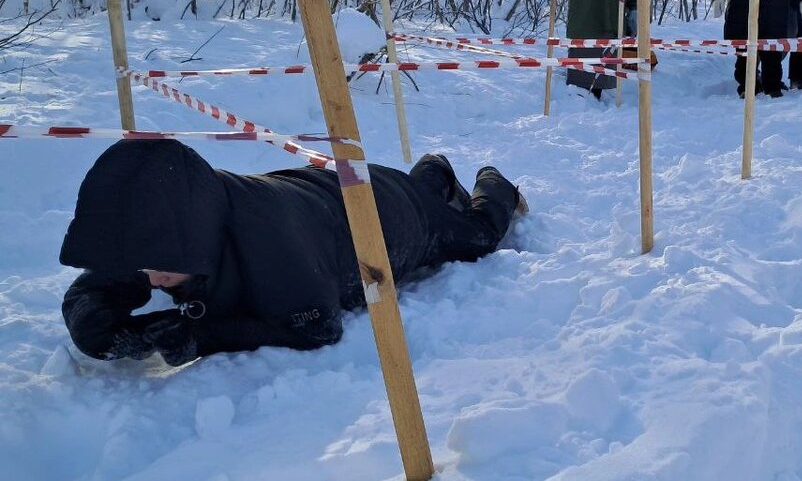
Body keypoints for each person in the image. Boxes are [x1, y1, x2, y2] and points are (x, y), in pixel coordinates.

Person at [59, 140, 527, 366]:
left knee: (477, 237)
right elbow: (92, 291)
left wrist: (202, 335)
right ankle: (433, 172)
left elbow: (316, 325)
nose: (151, 279)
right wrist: (105, 333)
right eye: (146, 268)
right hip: (324, 192)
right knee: (413, 186)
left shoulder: (269, 248)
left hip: (387, 219)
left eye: (162, 269)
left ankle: (493, 180)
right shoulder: (170, 220)